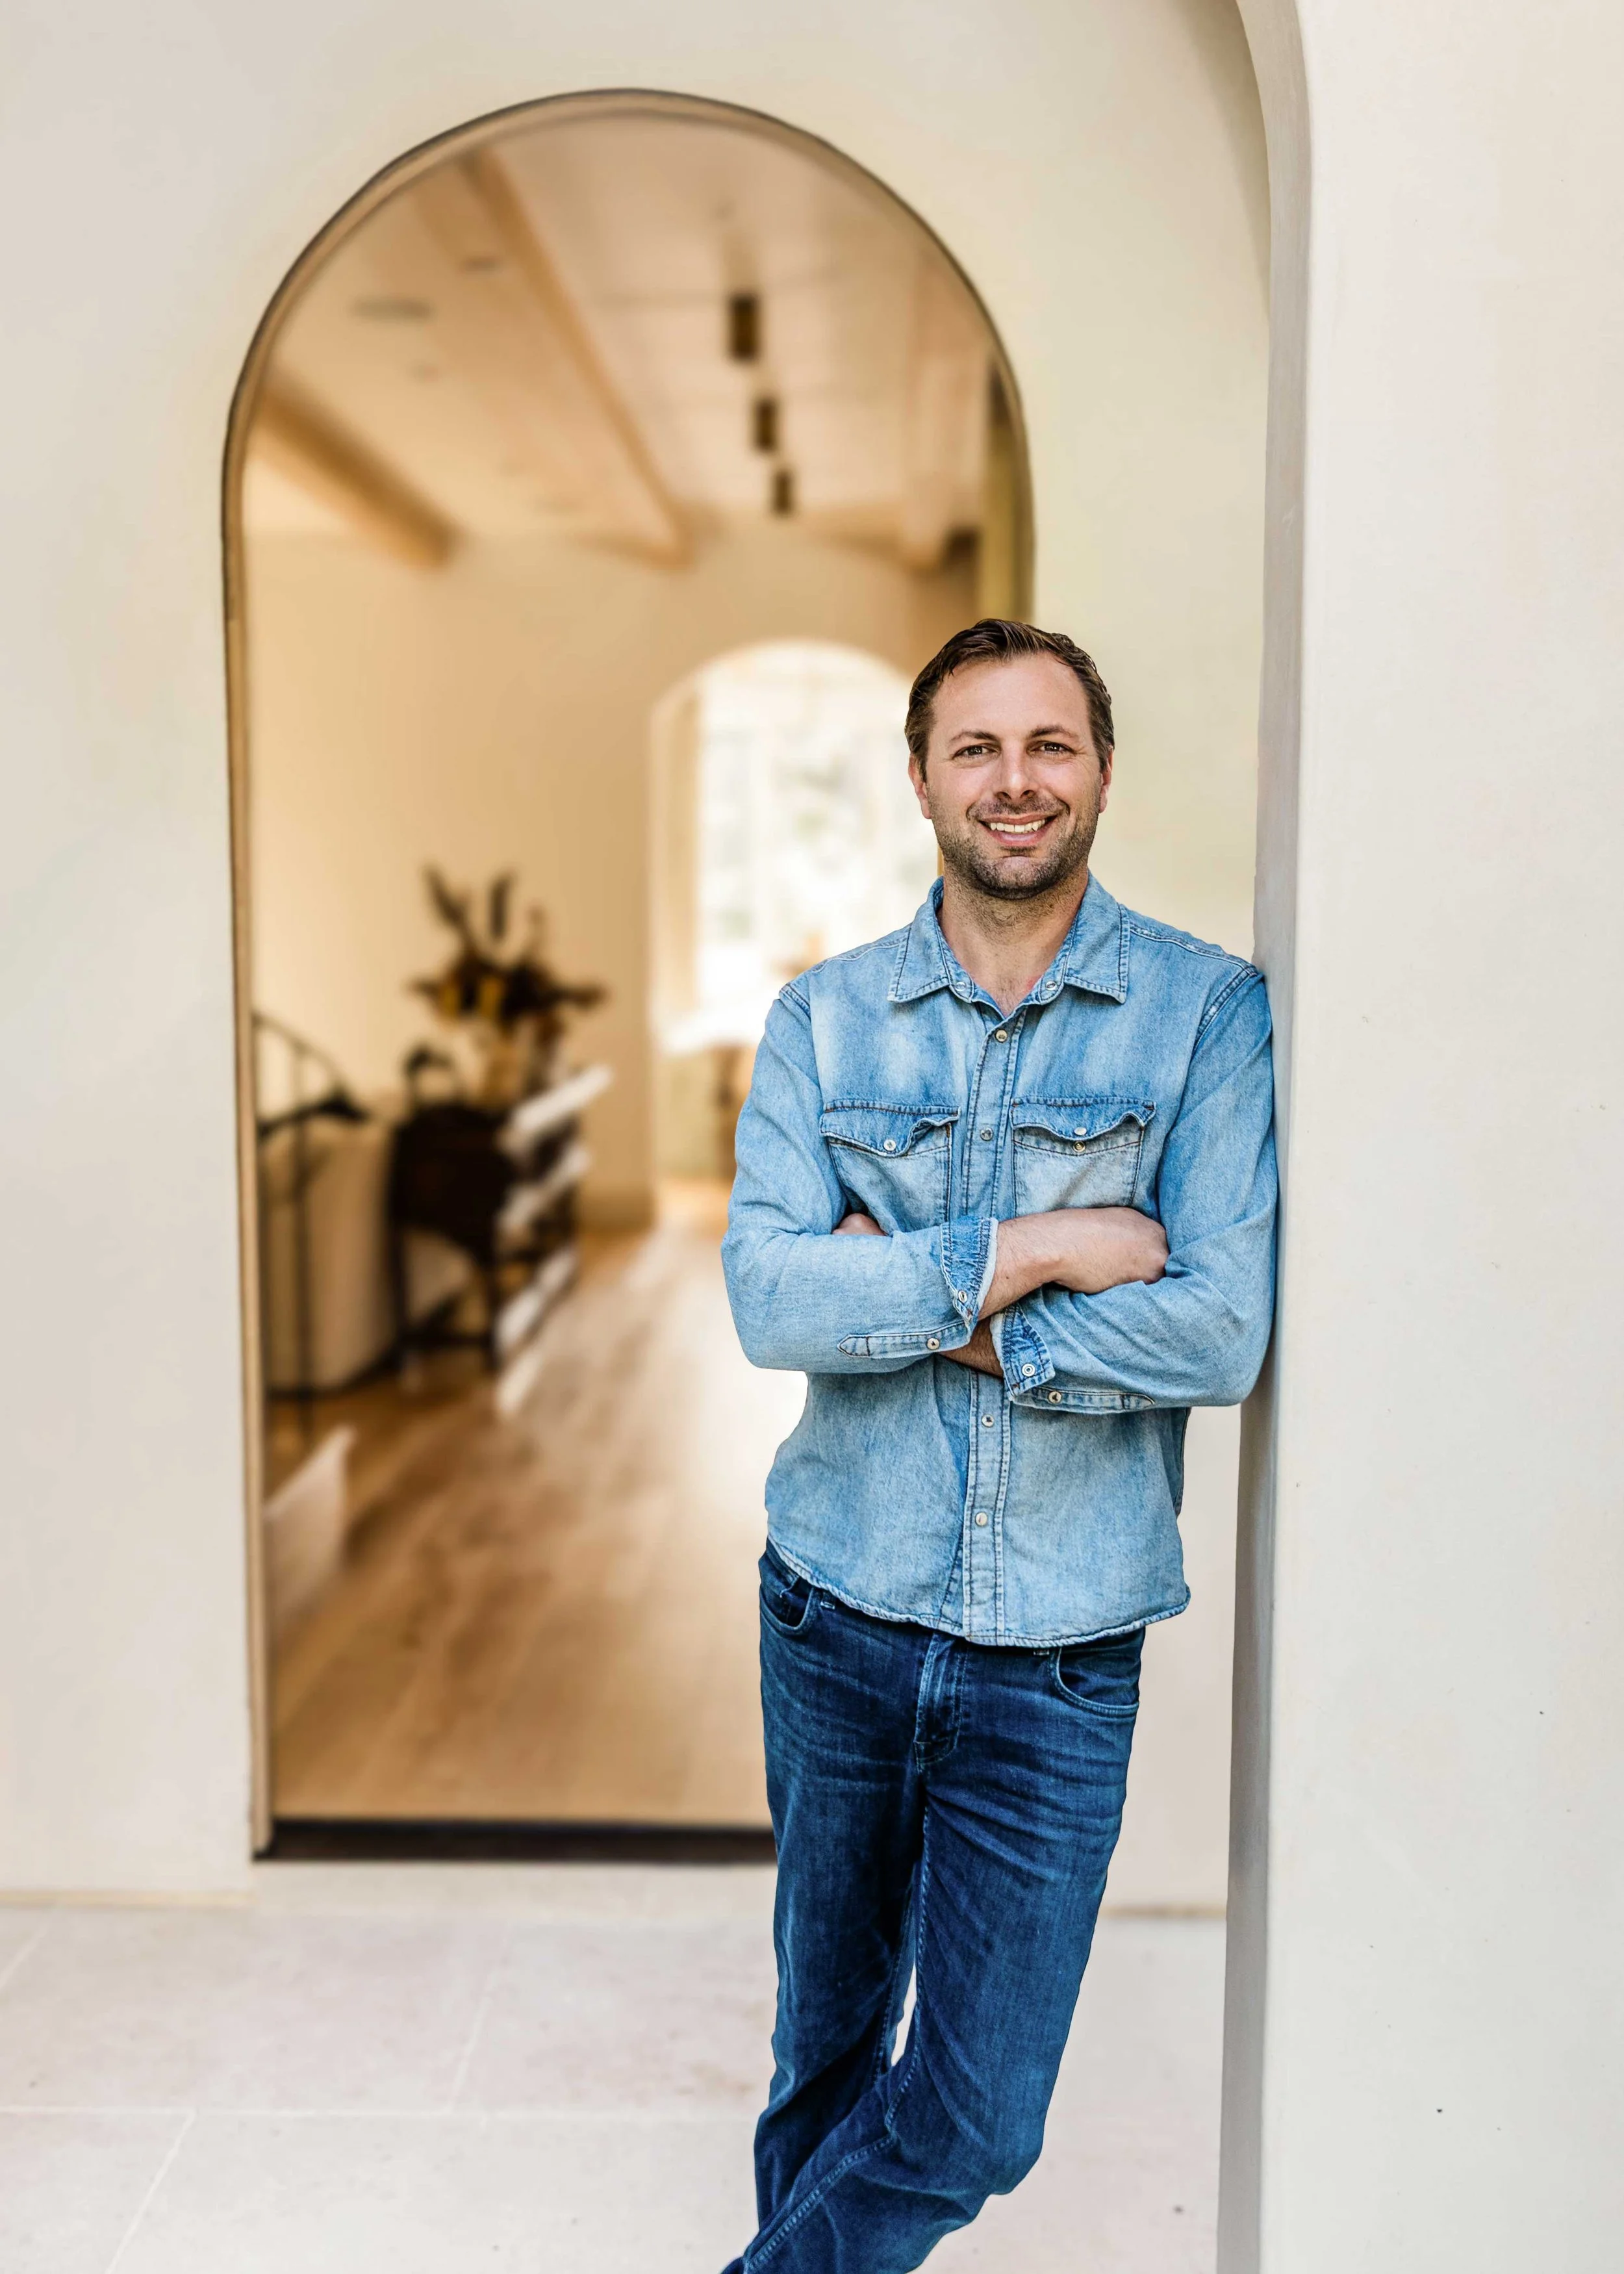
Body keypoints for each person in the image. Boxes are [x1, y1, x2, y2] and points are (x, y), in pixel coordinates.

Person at [718, 618, 1277, 2273]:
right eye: (975, 748)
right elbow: (764, 1295)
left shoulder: (1203, 1017)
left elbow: (1220, 1327)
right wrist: (1032, 1252)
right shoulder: (823, 1019)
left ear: (1099, 768)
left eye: (1048, 745)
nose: (1013, 781)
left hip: (1057, 1648)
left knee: (973, 2115)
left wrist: (898, 1300)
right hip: (837, 1610)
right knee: (822, 2057)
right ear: (919, 780)